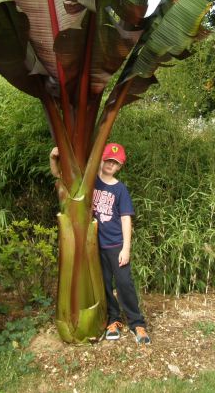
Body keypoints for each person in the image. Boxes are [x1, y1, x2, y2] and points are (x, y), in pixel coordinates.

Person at [49, 144, 151, 345]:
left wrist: (126, 248)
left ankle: (137, 323)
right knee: (104, 285)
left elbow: (125, 219)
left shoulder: (120, 189)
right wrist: (53, 158)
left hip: (115, 245)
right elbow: (60, 176)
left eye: (115, 162)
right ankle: (113, 320)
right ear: (101, 160)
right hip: (94, 247)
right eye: (108, 160)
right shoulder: (91, 182)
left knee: (124, 284)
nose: (110, 164)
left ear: (119, 166)